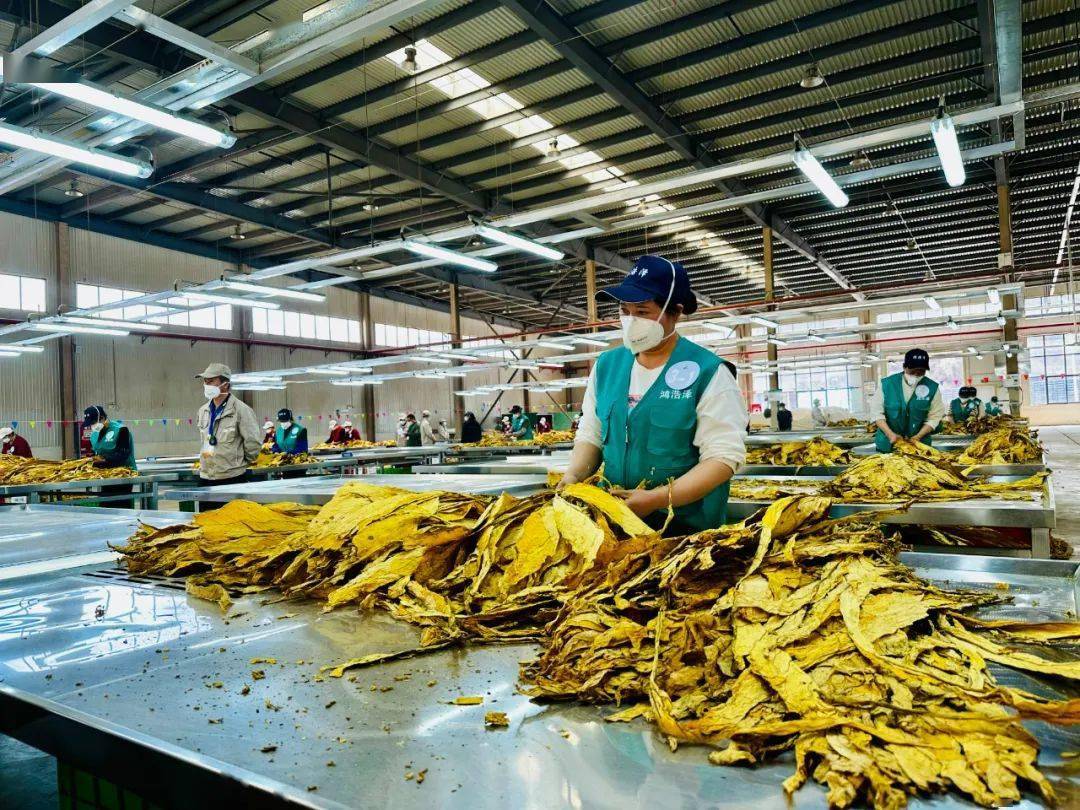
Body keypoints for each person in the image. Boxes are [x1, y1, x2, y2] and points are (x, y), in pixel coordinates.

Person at [559, 254, 747, 532]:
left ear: (675, 312)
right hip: (615, 525)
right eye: (624, 311)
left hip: (684, 532)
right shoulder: (606, 367)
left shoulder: (709, 372)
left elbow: (722, 458)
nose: (630, 321)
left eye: (642, 312)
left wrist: (658, 499)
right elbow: (592, 434)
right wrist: (573, 476)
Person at [194, 363, 262, 488]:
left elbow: (253, 443)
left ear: (225, 384)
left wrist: (237, 464)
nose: (206, 385)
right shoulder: (203, 411)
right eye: (205, 381)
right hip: (206, 476)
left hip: (232, 477)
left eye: (211, 381)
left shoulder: (241, 410)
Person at [872, 348, 946, 453]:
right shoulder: (887, 384)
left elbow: (934, 417)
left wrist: (918, 437)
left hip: (919, 445)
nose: (916, 374)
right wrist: (890, 434)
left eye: (921, 371)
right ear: (904, 367)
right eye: (913, 370)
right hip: (888, 443)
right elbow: (877, 414)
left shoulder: (932, 388)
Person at [83, 405, 137, 508]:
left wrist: (101, 462)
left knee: (121, 506)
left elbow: (123, 454)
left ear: (102, 418)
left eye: (93, 422)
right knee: (106, 505)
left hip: (123, 476)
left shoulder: (121, 430)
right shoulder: (94, 435)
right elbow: (95, 453)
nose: (92, 426)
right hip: (106, 476)